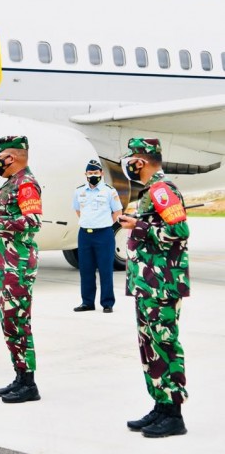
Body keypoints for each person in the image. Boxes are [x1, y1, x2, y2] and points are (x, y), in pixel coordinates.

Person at [118, 138, 189, 438]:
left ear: (142, 161)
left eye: (132, 158)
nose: (130, 163)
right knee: (150, 347)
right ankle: (160, 405)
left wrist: (139, 227)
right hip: (148, 283)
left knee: (164, 345)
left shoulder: (162, 190)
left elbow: (179, 231)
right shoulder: (149, 192)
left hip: (161, 285)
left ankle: (174, 414)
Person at [0, 135, 42, 404]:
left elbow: (33, 221)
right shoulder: (11, 184)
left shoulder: (27, 184)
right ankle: (19, 375)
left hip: (18, 266)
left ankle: (29, 383)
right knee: (10, 322)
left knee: (18, 322)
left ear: (11, 158)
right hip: (5, 265)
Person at [72, 159, 122, 313]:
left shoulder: (109, 191)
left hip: (104, 234)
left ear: (101, 173)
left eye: (95, 172)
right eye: (90, 173)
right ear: (85, 174)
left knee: (105, 269)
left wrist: (103, 223)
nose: (93, 175)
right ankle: (87, 302)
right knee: (86, 270)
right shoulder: (79, 191)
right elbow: (78, 210)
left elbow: (117, 212)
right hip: (85, 234)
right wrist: (90, 222)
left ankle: (107, 303)